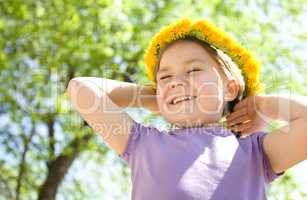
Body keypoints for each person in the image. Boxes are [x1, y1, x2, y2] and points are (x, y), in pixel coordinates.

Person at [67, 17, 307, 200]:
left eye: (192, 71)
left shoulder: (255, 153)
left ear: (230, 89)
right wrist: (157, 98)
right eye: (165, 77)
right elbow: (80, 89)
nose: (176, 82)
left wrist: (263, 106)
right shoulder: (142, 143)